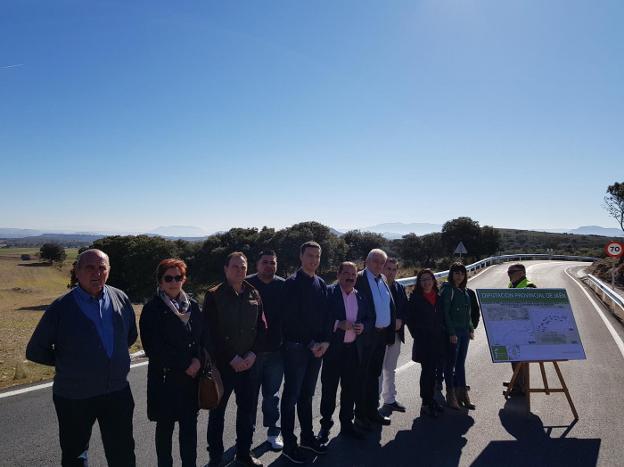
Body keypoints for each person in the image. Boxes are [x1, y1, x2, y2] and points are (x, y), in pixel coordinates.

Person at [26, 249, 137, 467]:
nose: (97, 273)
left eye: (102, 267)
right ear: (77, 271)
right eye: (90, 267)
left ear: (108, 271)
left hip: (117, 392)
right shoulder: (60, 308)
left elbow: (130, 336)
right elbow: (35, 350)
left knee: (123, 452)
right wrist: (71, 364)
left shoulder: (120, 298)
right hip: (74, 397)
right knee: (75, 455)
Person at [204, 252, 266, 467]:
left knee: (247, 411)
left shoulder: (254, 293)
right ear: (226, 268)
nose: (239, 270)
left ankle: (243, 453)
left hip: (249, 364)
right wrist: (232, 358)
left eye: (243, 267)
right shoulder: (214, 295)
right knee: (217, 413)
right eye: (235, 266)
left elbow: (261, 328)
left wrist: (253, 354)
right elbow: (211, 333)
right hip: (224, 366)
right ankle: (216, 457)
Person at [139, 258, 204, 467]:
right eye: (168, 278)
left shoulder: (192, 305)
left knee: (189, 431)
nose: (174, 282)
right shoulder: (152, 309)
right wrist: (186, 364)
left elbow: (202, 339)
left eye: (178, 277)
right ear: (160, 281)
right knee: (165, 431)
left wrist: (198, 361)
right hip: (165, 379)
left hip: (191, 380)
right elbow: (153, 347)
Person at [280, 241, 331, 464]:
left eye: (317, 256)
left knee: (307, 396)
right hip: (297, 349)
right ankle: (289, 445)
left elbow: (328, 316)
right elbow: (290, 320)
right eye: (309, 255)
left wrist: (326, 342)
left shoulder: (321, 283)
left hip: (317, 349)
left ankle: (307, 438)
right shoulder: (291, 284)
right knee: (291, 397)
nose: (313, 260)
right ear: (300, 257)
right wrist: (311, 343)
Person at [318, 261, 373, 444]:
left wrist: (363, 326)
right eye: (347, 273)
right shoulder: (328, 292)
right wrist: (337, 324)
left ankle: (347, 424)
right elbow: (320, 317)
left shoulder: (361, 297)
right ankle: (325, 426)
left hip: (353, 351)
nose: (350, 277)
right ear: (339, 274)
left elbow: (369, 319)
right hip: (334, 351)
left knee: (350, 390)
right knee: (329, 390)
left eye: (354, 274)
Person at [246, 250, 286, 451]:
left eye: (273, 262)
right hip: (252, 352)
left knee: (272, 395)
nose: (269, 265)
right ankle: (247, 435)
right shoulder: (247, 284)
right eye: (265, 262)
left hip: (276, 352)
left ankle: (273, 432)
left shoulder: (283, 285)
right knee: (250, 396)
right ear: (257, 264)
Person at [355, 249, 396, 428]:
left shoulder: (383, 279)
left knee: (374, 375)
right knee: (362, 377)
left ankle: (372, 412)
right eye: (375, 261)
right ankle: (360, 415)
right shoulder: (359, 279)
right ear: (367, 261)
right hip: (365, 337)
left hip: (381, 337)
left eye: (382, 262)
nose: (379, 265)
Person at [406, 269, 446, 417]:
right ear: (419, 282)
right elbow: (409, 320)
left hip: (438, 340)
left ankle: (431, 400)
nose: (426, 282)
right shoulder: (415, 298)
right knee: (427, 372)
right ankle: (425, 402)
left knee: (434, 371)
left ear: (433, 280)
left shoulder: (439, 297)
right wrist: (417, 334)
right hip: (424, 342)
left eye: (428, 279)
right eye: (423, 279)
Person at [441, 262, 475, 410]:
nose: (459, 276)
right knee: (450, 364)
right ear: (451, 274)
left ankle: (462, 394)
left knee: (460, 363)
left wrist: (471, 328)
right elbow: (445, 313)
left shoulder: (464, 291)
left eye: (462, 273)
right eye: (456, 273)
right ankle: (451, 395)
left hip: (464, 332)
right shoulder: (448, 290)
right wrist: (451, 332)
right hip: (453, 333)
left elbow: (468, 313)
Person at [379, 257, 408, 414]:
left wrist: (401, 320)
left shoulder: (400, 288)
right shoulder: (377, 287)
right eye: (388, 268)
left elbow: (405, 308)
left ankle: (389, 399)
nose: (390, 272)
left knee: (390, 368)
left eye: (394, 269)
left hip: (396, 335)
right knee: (378, 371)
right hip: (380, 336)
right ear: (383, 269)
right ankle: (374, 405)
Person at [506, 263, 536, 395]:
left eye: (512, 271)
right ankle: (517, 382)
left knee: (521, 359)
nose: (509, 273)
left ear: (522, 273)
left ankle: (522, 386)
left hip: (525, 330)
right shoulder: (511, 285)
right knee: (514, 357)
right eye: (508, 271)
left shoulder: (529, 286)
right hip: (513, 329)